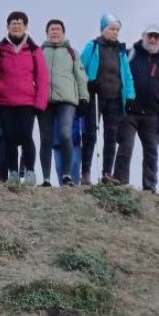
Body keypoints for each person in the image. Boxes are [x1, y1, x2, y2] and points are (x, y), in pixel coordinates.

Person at [0, 11, 49, 184]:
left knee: (26, 135)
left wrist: (40, 103)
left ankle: (30, 171)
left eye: (20, 23)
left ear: (25, 26)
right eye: (13, 23)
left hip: (27, 101)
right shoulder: (0, 49)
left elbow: (42, 77)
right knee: (9, 137)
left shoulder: (34, 50)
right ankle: (12, 172)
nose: (17, 26)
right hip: (3, 101)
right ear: (7, 26)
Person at [113, 26, 159, 191]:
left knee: (152, 152)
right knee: (126, 147)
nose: (153, 39)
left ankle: (149, 186)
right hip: (130, 111)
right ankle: (119, 182)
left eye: (157, 37)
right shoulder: (129, 54)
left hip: (153, 114)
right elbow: (120, 77)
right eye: (150, 35)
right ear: (143, 36)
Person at [79, 13, 136, 185]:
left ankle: (107, 173)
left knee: (111, 136)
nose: (115, 32)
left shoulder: (121, 51)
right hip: (96, 95)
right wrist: (89, 82)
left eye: (117, 30)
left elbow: (127, 74)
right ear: (103, 29)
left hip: (116, 97)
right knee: (90, 135)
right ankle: (86, 171)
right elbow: (81, 67)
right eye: (111, 29)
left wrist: (130, 95)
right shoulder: (93, 46)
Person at [39, 19, 89, 187]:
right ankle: (46, 178)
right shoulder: (39, 51)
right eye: (52, 29)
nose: (55, 32)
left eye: (58, 29)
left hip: (67, 99)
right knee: (46, 138)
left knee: (65, 134)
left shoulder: (71, 51)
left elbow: (80, 75)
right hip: (44, 99)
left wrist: (84, 97)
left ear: (63, 33)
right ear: (47, 33)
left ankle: (67, 175)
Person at [54, 109, 84, 186]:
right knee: (59, 167)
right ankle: (64, 193)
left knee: (73, 166)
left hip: (74, 137)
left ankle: (74, 193)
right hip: (56, 137)